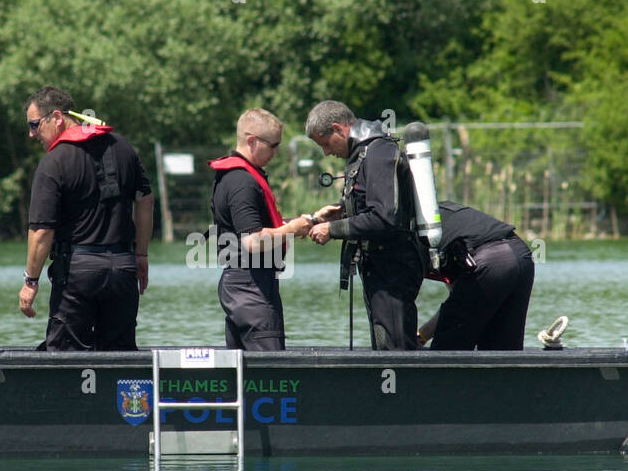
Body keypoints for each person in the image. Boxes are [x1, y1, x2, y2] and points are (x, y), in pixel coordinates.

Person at [18, 86, 154, 350]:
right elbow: (146, 200)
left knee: (66, 358)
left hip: (78, 273)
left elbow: (42, 231)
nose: (31, 134)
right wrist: (141, 255)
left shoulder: (54, 162)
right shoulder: (123, 146)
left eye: (35, 125)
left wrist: (31, 281)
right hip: (124, 269)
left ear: (57, 117)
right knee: (118, 359)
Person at [209, 108, 336, 350]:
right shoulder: (241, 182)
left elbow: (259, 226)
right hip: (251, 287)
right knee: (272, 378)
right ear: (251, 141)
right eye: (273, 145)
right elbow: (253, 241)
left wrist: (311, 219)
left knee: (245, 377)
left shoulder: (235, 176)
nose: (277, 153)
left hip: (242, 286)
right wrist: (292, 229)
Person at [306, 101, 424, 350]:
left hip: (393, 267)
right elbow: (372, 210)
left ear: (338, 129)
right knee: (384, 342)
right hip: (379, 266)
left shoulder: (378, 152)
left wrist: (332, 230)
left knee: (394, 347)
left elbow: (383, 217)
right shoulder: (365, 152)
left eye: (325, 144)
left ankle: (403, 388)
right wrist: (340, 216)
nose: (326, 152)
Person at [417, 201, 535, 350]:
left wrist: (416, 338)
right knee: (502, 356)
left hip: (489, 260)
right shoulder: (440, 220)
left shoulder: (409, 231)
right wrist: (421, 336)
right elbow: (456, 299)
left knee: (447, 353)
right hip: (522, 255)